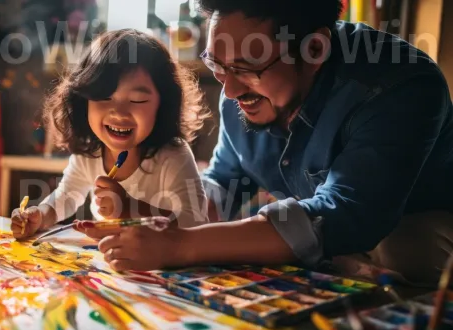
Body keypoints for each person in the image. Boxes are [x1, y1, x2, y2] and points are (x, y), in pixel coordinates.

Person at [84, 0, 453, 286]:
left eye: (246, 69)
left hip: (415, 226)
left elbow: (347, 214)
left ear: (313, 50)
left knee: (405, 251)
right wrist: (146, 212)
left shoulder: (399, 84)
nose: (229, 89)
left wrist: (179, 246)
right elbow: (219, 194)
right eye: (217, 65)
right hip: (335, 230)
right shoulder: (240, 95)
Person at [11, 29, 210, 239]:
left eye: (137, 100)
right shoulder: (90, 151)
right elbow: (65, 197)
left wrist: (130, 208)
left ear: (163, 106)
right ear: (83, 101)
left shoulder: (173, 155)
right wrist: (39, 216)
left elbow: (196, 222)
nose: (119, 113)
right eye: (104, 98)